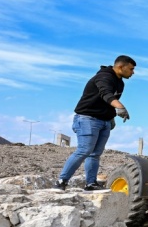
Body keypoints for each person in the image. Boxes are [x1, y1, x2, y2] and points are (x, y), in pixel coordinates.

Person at [53, 55, 136, 191]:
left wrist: (111, 117)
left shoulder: (120, 82)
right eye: (131, 69)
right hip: (88, 118)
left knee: (95, 154)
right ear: (121, 67)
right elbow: (106, 94)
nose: (133, 72)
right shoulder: (104, 77)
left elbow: (106, 102)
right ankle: (61, 181)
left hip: (104, 122)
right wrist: (120, 107)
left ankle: (90, 183)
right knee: (84, 150)